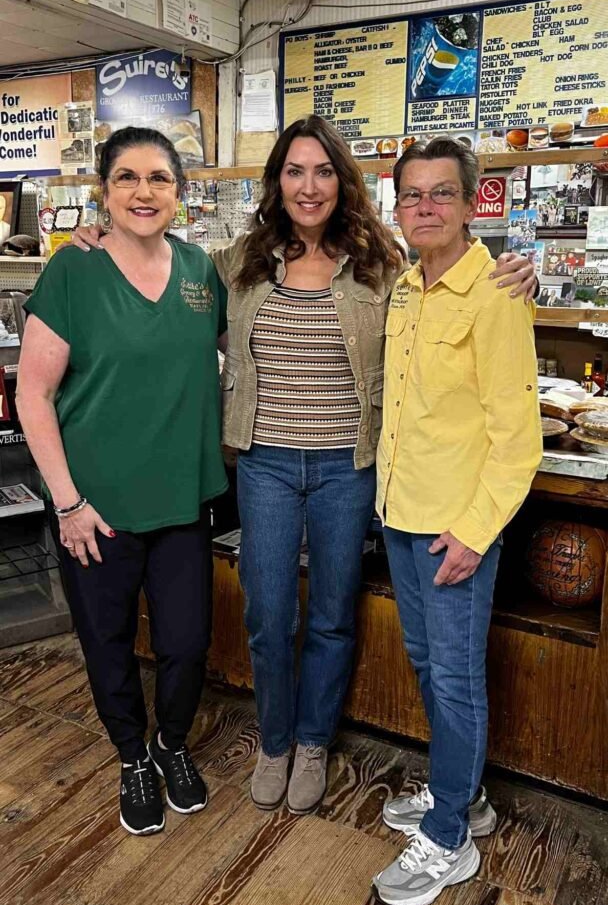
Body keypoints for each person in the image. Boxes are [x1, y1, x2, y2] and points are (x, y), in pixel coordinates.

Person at [69, 116, 537, 818]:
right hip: (265, 466)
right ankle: (276, 741)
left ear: (341, 182)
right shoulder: (241, 262)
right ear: (277, 182)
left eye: (322, 171)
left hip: (349, 467)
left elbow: (450, 276)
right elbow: (160, 257)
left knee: (331, 615)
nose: (308, 186)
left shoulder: (380, 265)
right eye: (294, 171)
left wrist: (513, 268)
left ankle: (315, 742)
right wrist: (94, 233)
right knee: (267, 612)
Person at [16, 127, 228, 837]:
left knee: (187, 643)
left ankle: (170, 744)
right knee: (107, 642)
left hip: (180, 503)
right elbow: (33, 395)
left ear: (180, 192)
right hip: (94, 510)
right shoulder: (71, 273)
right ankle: (131, 756)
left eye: (160, 178)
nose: (145, 192)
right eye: (128, 178)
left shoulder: (202, 271)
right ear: (103, 191)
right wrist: (67, 502)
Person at [372, 137, 542, 905]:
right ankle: (464, 797)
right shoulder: (406, 286)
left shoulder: (498, 293)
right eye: (412, 195)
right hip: (402, 514)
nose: (426, 207)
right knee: (428, 664)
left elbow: (519, 438)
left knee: (457, 679)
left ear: (472, 204)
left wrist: (476, 531)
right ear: (398, 207)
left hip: (455, 530)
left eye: (442, 194)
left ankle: (448, 838)